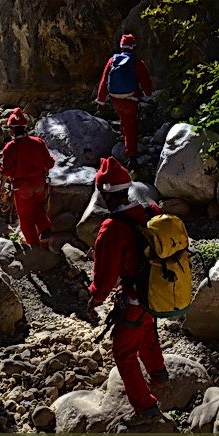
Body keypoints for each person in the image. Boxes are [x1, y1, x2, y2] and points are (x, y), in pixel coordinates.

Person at [86, 157, 169, 420]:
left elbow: (105, 276)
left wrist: (95, 298)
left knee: (122, 351)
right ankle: (158, 373)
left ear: (104, 193)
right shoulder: (151, 211)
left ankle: (145, 406)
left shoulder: (112, 229)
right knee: (146, 327)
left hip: (134, 296)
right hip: (157, 289)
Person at [0, 108, 56, 247]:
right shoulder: (38, 142)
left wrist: (1, 189)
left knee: (25, 219)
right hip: (39, 184)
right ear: (25, 127)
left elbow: (6, 171)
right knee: (38, 207)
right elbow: (49, 163)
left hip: (22, 187)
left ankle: (33, 245)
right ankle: (45, 228)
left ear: (12, 130)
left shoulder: (10, 147)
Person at [95, 33, 152, 171]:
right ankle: (132, 157)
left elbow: (103, 81)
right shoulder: (136, 62)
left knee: (123, 120)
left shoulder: (112, 60)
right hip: (130, 99)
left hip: (115, 99)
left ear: (121, 46)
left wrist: (101, 101)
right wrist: (148, 94)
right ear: (133, 47)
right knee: (131, 125)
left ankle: (124, 143)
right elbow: (145, 81)